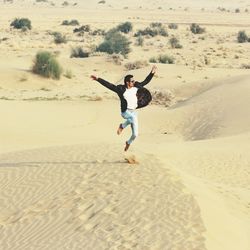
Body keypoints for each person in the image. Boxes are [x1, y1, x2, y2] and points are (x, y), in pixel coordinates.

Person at [91, 65, 157, 151]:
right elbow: (109, 86)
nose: (134, 82)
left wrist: (152, 73)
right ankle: (122, 126)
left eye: (134, 80)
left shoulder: (136, 87)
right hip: (125, 112)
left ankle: (128, 143)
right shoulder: (121, 89)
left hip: (133, 112)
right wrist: (98, 79)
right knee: (132, 118)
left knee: (135, 134)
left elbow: (145, 81)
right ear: (127, 82)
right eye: (132, 81)